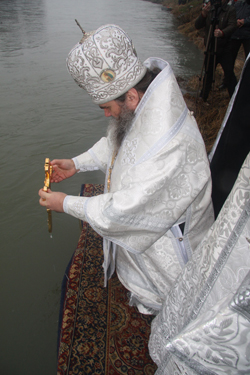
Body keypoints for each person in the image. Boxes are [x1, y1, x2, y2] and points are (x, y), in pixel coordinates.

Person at [39, 24, 214, 315]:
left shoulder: (169, 144)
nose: (107, 114)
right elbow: (119, 145)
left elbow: (126, 210)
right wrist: (76, 164)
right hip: (146, 231)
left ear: (130, 96)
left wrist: (65, 203)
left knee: (173, 310)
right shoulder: (146, 103)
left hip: (168, 246)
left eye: (106, 107)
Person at [195, 0, 237, 101]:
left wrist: (222, 33)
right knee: (208, 73)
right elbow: (197, 25)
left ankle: (235, 98)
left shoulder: (230, 10)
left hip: (225, 48)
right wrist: (203, 14)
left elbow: (233, 25)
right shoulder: (211, 9)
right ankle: (203, 97)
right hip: (210, 47)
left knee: (229, 73)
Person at [231, 0, 250, 66]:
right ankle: (229, 75)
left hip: (247, 35)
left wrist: (245, 21)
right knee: (230, 59)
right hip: (235, 34)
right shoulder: (235, 3)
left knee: (248, 59)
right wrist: (235, 22)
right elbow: (230, 12)